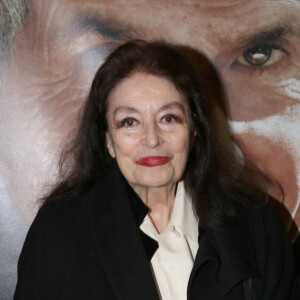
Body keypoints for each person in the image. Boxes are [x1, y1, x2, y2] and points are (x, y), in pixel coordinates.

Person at [14, 40, 299, 299]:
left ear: (195, 128)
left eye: (169, 118)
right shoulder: (58, 234)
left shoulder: (256, 224)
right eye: (129, 122)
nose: (152, 139)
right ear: (108, 141)